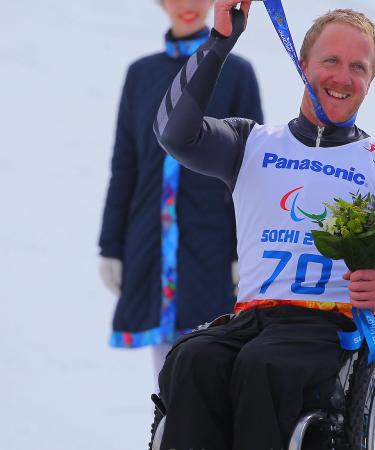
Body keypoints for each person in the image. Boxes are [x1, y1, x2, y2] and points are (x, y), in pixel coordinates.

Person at [154, 2, 375, 449]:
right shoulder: (249, 143)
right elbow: (175, 133)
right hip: (250, 320)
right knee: (193, 359)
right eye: (330, 60)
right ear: (303, 64)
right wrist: (220, 41)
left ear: (370, 81)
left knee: (264, 367)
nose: (342, 77)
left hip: (326, 333)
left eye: (358, 67)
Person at [98, 0, 263, 387]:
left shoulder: (236, 73)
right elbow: (125, 166)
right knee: (166, 381)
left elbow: (253, 171)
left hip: (210, 247)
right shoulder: (141, 75)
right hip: (150, 246)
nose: (187, 6)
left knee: (212, 369)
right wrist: (111, 245)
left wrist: (243, 250)